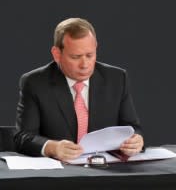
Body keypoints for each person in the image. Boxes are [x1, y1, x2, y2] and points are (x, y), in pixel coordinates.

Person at [14, 18, 145, 160]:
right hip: (59, 174)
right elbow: (23, 138)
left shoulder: (117, 78)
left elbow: (132, 127)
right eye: (76, 57)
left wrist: (136, 141)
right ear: (57, 54)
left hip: (105, 170)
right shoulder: (35, 83)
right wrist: (53, 147)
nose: (85, 64)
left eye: (90, 55)